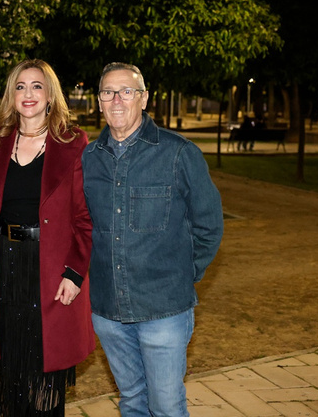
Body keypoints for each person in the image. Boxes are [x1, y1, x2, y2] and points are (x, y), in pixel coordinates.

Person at [81, 62, 224, 417]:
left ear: (143, 98)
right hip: (109, 310)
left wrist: (182, 273)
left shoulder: (178, 153)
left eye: (126, 91)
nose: (117, 99)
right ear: (98, 101)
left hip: (164, 309)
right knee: (131, 401)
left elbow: (209, 224)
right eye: (108, 92)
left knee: (166, 405)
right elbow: (82, 227)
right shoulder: (89, 159)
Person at [0, 59, 95, 416]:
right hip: (1, 267)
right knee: (5, 371)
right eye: (20, 86)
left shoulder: (73, 143)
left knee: (42, 374)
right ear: (11, 94)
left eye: (37, 86)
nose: (28, 94)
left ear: (50, 95)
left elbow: (85, 219)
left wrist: (74, 273)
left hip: (50, 271)